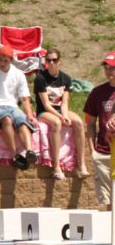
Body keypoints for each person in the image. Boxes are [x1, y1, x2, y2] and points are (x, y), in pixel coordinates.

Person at [0, 44, 38, 171]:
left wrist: (29, 114)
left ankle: (29, 151)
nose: (2, 63)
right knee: (6, 119)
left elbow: (25, 98)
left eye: (5, 60)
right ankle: (15, 155)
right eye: (0, 59)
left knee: (21, 121)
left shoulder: (18, 74)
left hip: (12, 106)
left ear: (11, 61)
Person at [34, 48, 89, 181]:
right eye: (49, 60)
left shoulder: (66, 79)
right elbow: (46, 104)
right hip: (44, 112)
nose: (52, 63)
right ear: (45, 62)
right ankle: (57, 166)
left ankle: (81, 164)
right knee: (57, 123)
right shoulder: (40, 78)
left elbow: (64, 103)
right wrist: (60, 117)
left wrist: (64, 115)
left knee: (79, 123)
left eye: (55, 60)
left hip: (59, 109)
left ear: (60, 61)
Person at [83, 51, 115, 210]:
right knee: (107, 200)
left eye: (112, 67)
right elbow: (90, 123)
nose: (109, 70)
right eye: (106, 67)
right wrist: (92, 151)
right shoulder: (97, 92)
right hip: (102, 152)